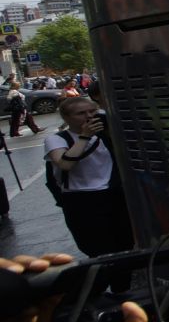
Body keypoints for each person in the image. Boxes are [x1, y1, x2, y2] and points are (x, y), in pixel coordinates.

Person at [48, 97, 135, 257]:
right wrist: (85, 136)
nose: (88, 116)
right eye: (80, 113)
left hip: (113, 195)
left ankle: (122, 281)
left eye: (91, 111)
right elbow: (65, 164)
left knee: (124, 245)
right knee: (97, 248)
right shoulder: (57, 139)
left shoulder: (106, 133)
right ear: (66, 118)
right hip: (82, 200)